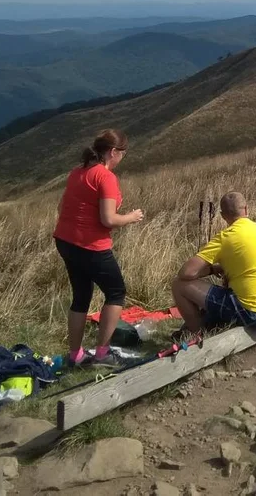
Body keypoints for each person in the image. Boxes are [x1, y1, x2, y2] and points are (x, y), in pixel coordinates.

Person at [53, 129, 144, 368]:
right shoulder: (105, 177)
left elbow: (61, 207)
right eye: (123, 153)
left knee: (81, 296)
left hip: (65, 240)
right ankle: (102, 354)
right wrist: (131, 217)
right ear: (113, 152)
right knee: (116, 292)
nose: (123, 157)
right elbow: (108, 219)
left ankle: (76, 355)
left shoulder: (77, 172)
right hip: (91, 245)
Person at [172, 192, 256, 337]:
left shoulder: (225, 238)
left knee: (178, 284)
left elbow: (186, 273)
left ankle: (197, 334)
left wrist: (212, 270)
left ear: (222, 215)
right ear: (246, 209)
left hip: (251, 313)